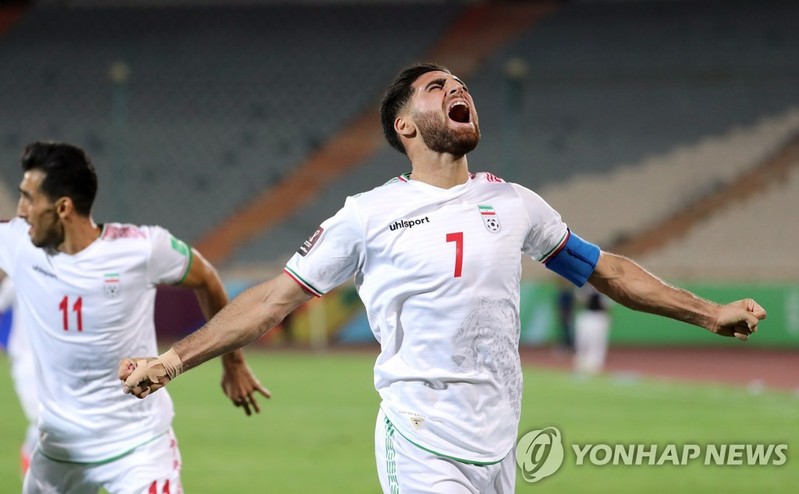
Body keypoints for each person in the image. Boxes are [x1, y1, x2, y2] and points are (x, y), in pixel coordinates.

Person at [120, 63, 767, 493]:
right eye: (436, 86)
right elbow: (272, 300)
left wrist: (706, 314)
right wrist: (175, 358)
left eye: (460, 83)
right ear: (404, 126)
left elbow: (605, 270)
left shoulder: (514, 203)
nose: (457, 88)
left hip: (498, 443)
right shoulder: (366, 216)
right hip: (420, 437)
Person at [0, 141, 271, 494]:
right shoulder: (17, 241)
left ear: (63, 207)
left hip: (138, 449)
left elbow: (206, 278)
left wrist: (233, 364)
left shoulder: (141, 248)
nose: (21, 210)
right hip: (59, 450)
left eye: (28, 198)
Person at [0, 274, 39, 476]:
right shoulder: (19, 276)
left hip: (56, 364)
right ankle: (30, 458)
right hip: (26, 363)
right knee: (43, 420)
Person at [573, 284, 613, 375]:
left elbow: (607, 306)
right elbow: (580, 301)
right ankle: (581, 362)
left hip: (598, 316)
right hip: (587, 315)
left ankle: (595, 364)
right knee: (583, 340)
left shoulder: (603, 291)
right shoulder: (584, 288)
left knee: (596, 341)